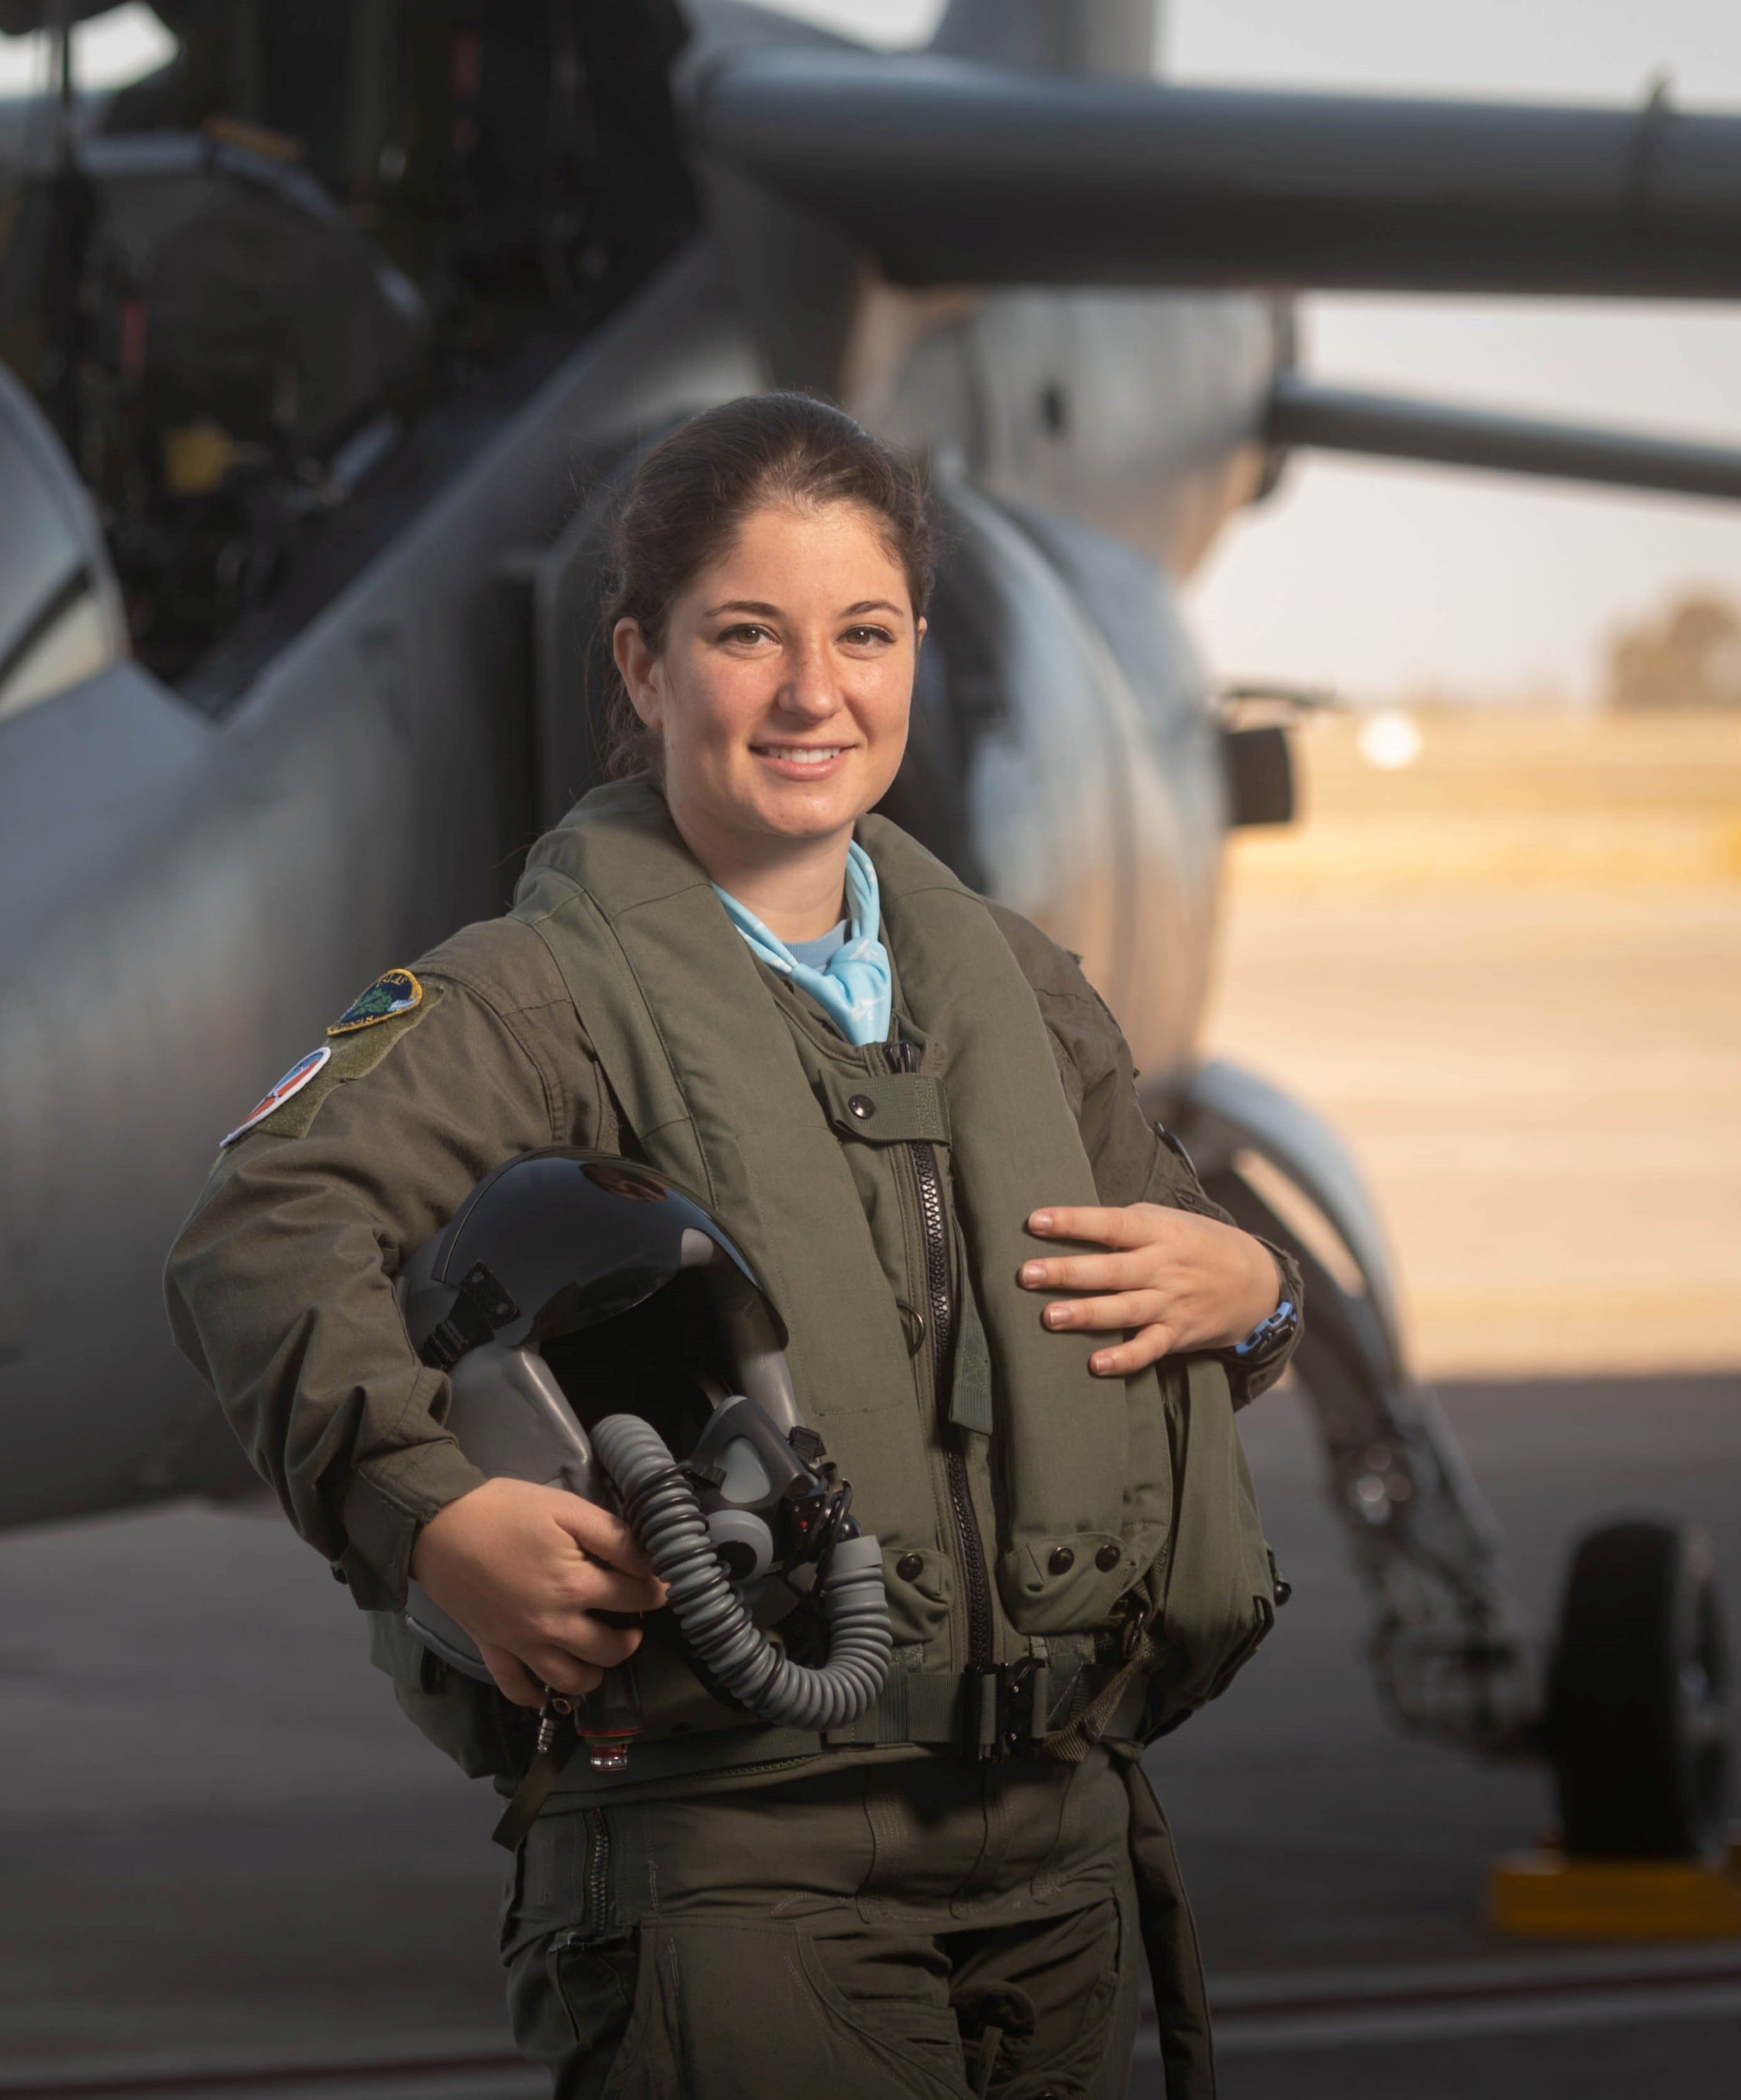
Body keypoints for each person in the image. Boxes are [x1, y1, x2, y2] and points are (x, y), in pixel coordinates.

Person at [164, 393, 1303, 2099]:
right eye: (746, 636)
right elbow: (260, 1232)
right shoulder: (528, 999)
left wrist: (1259, 1294)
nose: (811, 693)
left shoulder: (1018, 994)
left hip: (1057, 1858)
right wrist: (436, 1517)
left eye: (864, 634)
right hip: (737, 1869)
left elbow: (1168, 1264)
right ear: (641, 666)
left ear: (918, 649)